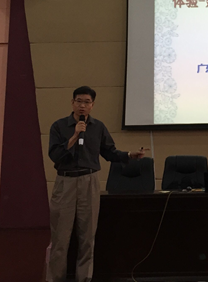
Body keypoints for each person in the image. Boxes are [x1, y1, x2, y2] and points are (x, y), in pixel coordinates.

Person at [47, 86, 144, 282]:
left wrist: (128, 155)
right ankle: (55, 278)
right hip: (65, 181)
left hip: (89, 181)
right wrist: (74, 136)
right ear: (72, 103)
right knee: (60, 237)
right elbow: (54, 155)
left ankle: (84, 278)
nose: (82, 106)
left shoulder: (98, 127)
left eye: (87, 102)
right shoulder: (59, 126)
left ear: (92, 105)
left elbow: (109, 152)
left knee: (87, 236)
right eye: (79, 101)